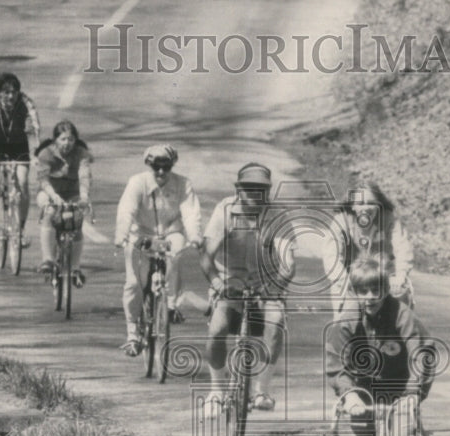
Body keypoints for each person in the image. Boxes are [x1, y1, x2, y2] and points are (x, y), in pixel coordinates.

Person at [325, 255, 436, 436]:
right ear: (354, 291)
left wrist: (414, 394)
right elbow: (337, 365)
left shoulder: (402, 315)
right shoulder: (346, 321)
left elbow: (422, 355)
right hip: (363, 394)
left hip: (400, 391)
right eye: (363, 291)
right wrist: (347, 394)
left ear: (386, 289)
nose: (370, 297)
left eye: (376, 290)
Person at [199, 163, 296, 418]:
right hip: (230, 281)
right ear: (238, 190)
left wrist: (274, 288)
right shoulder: (225, 210)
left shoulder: (278, 215)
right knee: (217, 328)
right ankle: (216, 391)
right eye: (249, 189)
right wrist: (218, 283)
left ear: (268, 191)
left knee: (275, 322)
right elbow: (206, 257)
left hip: (267, 284)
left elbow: (288, 263)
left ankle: (261, 390)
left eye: (261, 190)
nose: (255, 195)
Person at [114, 145, 202, 356]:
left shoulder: (183, 184)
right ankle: (133, 332)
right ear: (148, 165)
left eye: (166, 166)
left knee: (178, 252)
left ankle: (171, 306)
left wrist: (195, 235)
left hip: (171, 232)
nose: (161, 172)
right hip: (141, 233)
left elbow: (190, 213)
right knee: (134, 283)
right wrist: (121, 235)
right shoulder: (137, 183)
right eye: (156, 167)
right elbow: (126, 210)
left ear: (172, 166)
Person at [321, 181, 413, 314]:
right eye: (360, 204)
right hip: (352, 278)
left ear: (379, 205)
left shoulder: (389, 219)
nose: (366, 208)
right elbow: (331, 255)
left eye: (371, 203)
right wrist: (343, 279)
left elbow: (403, 248)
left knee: (401, 305)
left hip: (384, 277)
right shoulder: (341, 221)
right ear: (352, 206)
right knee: (345, 319)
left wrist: (400, 276)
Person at [0, 73, 40, 246]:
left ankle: (20, 230)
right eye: (6, 92)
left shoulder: (26, 103)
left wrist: (35, 153)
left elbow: (33, 129)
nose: (11, 96)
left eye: (14, 92)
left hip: (19, 145)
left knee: (22, 183)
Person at [35, 120, 93, 287]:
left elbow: (84, 175)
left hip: (73, 193)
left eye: (71, 139)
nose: (67, 143)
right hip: (49, 192)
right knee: (49, 213)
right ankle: (48, 259)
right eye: (63, 139)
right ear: (55, 140)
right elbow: (43, 179)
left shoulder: (81, 153)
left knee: (77, 221)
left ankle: (75, 268)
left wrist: (83, 196)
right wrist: (53, 196)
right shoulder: (46, 154)